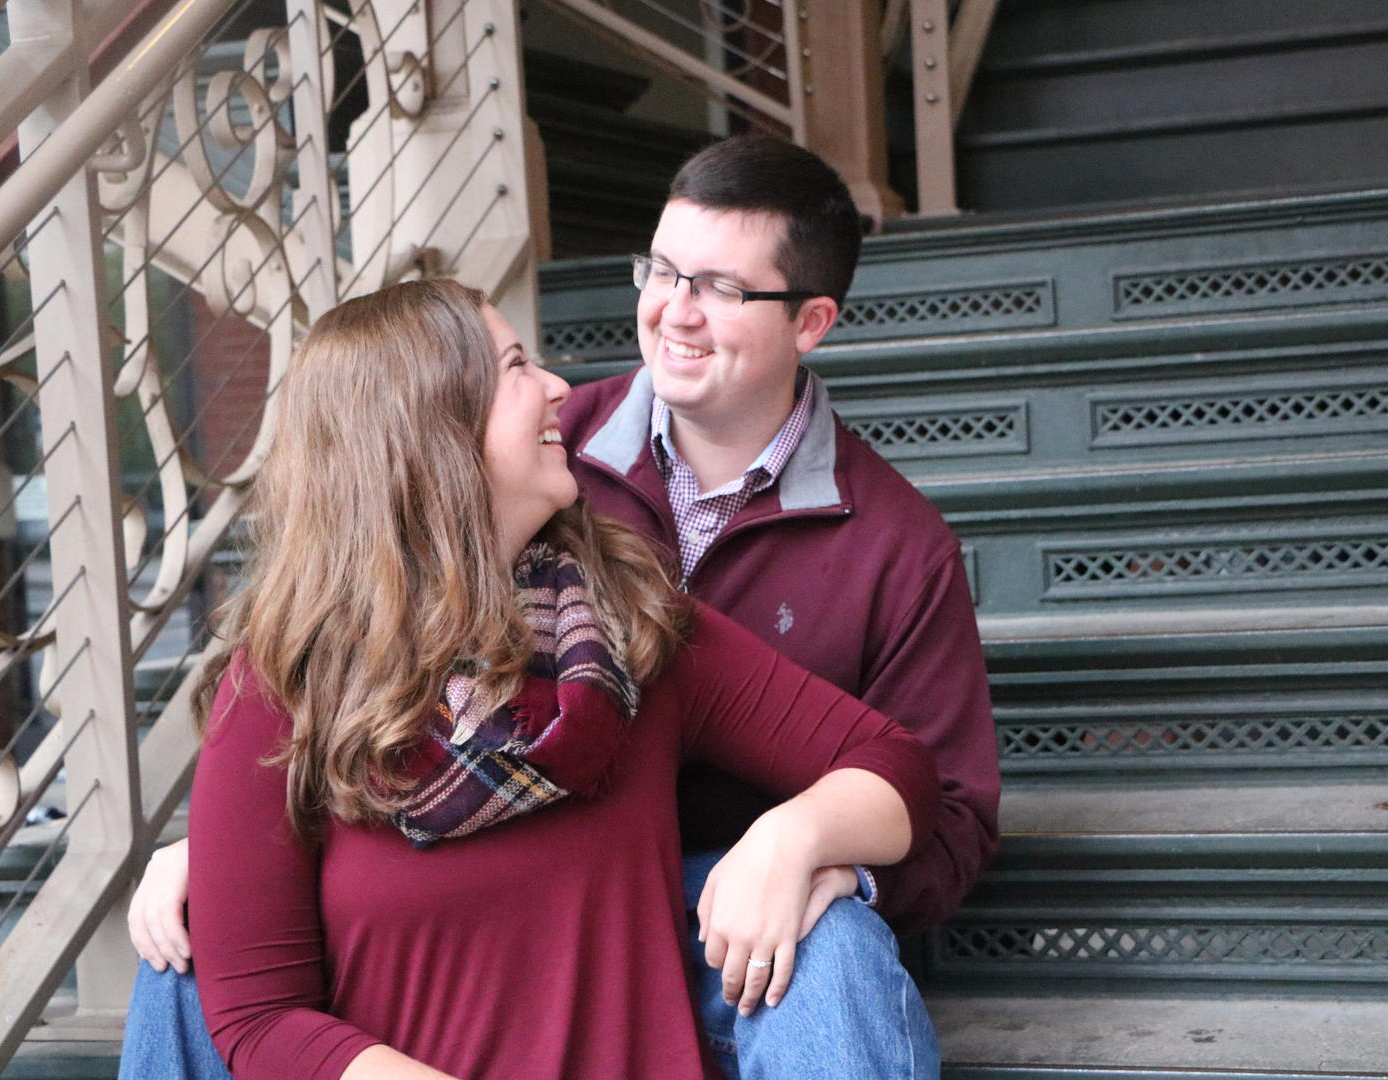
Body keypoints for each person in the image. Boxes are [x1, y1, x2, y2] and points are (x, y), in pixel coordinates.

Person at [125, 135, 1000, 1080]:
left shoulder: (720, 591)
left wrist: (799, 845)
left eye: (720, 287)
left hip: (712, 919)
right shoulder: (557, 459)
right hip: (474, 945)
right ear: (433, 442)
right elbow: (263, 1013)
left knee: (830, 943)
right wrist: (238, 860)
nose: (672, 310)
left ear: (811, 320)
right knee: (187, 949)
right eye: (663, 270)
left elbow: (930, 794)